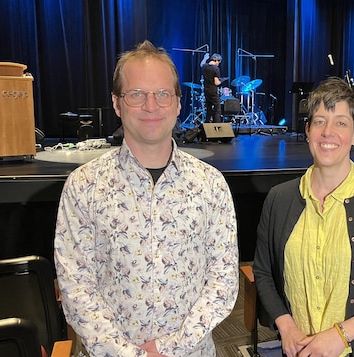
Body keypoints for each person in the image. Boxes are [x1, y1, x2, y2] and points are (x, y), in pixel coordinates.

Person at [54, 40, 239, 357]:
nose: (151, 106)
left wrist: (170, 347)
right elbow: (76, 286)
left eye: (162, 94)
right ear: (117, 103)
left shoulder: (211, 185)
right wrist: (129, 354)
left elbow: (222, 282)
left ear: (178, 103)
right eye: (136, 94)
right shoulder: (83, 185)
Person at [253, 77, 354, 357]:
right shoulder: (279, 199)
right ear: (307, 130)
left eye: (340, 122)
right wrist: (286, 325)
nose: (328, 132)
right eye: (319, 121)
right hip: (297, 350)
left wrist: (341, 336)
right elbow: (264, 273)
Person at [200, 52, 225, 123]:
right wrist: (222, 80)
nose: (219, 63)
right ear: (216, 60)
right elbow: (216, 83)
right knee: (217, 108)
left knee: (209, 108)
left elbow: (201, 64)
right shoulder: (216, 69)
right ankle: (216, 126)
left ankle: (207, 124)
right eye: (219, 61)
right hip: (213, 91)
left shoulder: (205, 66)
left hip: (206, 90)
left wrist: (205, 57)